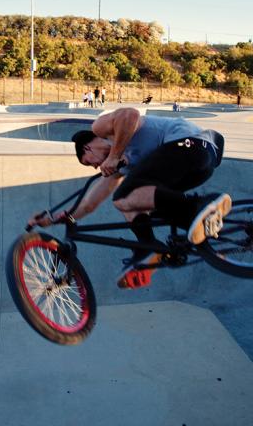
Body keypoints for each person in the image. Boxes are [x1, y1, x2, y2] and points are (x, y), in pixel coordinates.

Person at [28, 107, 231, 289]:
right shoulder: (123, 166)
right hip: (195, 168)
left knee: (124, 195)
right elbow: (90, 203)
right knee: (131, 203)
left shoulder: (101, 129)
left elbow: (130, 114)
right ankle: (153, 246)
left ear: (87, 148)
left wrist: (114, 155)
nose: (97, 167)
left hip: (192, 145)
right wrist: (57, 218)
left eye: (90, 163)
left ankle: (200, 205)